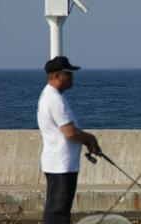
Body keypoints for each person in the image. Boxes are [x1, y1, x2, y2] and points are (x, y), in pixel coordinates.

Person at [37, 56, 101, 224]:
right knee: (58, 213)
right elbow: (70, 132)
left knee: (56, 210)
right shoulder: (55, 99)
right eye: (69, 74)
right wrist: (90, 138)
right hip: (61, 165)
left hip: (58, 163)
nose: (73, 77)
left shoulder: (49, 95)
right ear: (58, 76)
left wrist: (86, 141)